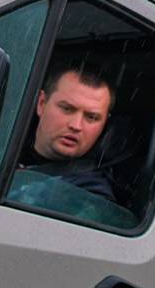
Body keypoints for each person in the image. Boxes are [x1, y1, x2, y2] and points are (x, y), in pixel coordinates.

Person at [19, 62, 118, 203]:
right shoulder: (0, 152)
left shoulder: (92, 196)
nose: (76, 125)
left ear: (104, 124)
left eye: (91, 117)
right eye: (67, 109)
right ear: (41, 103)